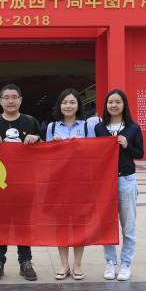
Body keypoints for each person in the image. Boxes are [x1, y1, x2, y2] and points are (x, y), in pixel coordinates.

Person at [0, 83, 42, 281]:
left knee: (24, 222)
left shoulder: (30, 122)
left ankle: (25, 261)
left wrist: (37, 138)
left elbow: (47, 148)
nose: (10, 101)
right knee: (0, 223)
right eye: (6, 97)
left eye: (14, 97)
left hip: (25, 182)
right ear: (0, 101)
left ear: (20, 100)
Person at [45, 88, 94, 281]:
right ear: (60, 105)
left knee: (79, 223)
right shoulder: (51, 127)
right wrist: (53, 145)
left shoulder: (87, 126)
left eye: (72, 102)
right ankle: (64, 265)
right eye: (65, 102)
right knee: (61, 224)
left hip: (81, 182)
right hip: (59, 183)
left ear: (78, 105)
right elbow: (45, 155)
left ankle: (78, 265)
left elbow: (94, 152)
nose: (68, 106)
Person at [95, 89, 144, 282]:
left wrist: (126, 145)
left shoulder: (133, 128)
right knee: (107, 224)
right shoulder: (99, 128)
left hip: (126, 180)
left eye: (117, 102)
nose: (113, 105)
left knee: (128, 226)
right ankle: (110, 262)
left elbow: (140, 154)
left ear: (124, 105)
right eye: (110, 102)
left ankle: (126, 264)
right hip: (105, 182)